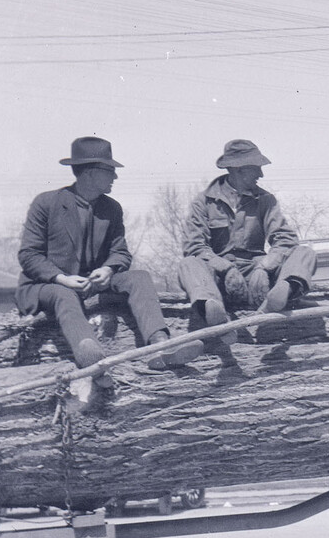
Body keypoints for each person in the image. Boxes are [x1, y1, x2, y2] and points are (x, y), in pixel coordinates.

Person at [17, 136, 202, 389]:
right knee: (64, 294)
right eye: (110, 171)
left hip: (91, 285)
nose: (115, 177)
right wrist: (62, 278)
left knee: (140, 277)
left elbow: (121, 252)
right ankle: (91, 359)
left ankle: (161, 345)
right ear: (90, 173)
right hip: (47, 286)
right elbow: (29, 256)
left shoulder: (111, 208)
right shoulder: (46, 203)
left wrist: (108, 268)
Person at [176, 139, 317, 328]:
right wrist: (225, 267)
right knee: (188, 263)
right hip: (219, 280)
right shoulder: (203, 202)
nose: (261, 173)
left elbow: (285, 239)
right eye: (255, 168)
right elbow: (194, 246)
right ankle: (214, 314)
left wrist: (265, 266)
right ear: (237, 169)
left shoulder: (266, 200)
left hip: (258, 278)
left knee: (305, 253)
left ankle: (278, 298)